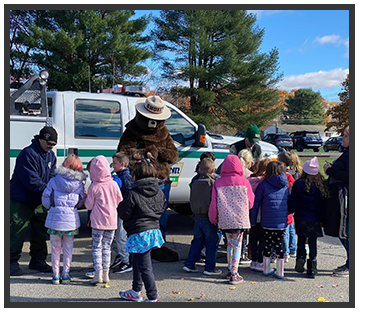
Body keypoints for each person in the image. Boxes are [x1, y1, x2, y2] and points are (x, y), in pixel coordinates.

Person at [10, 126, 58, 276]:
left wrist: (54, 190)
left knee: (40, 231)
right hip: (21, 199)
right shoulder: (27, 154)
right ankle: (10, 262)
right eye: (49, 144)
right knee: (17, 231)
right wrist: (49, 191)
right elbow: (31, 181)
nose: (51, 147)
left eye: (53, 145)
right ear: (41, 139)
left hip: (39, 200)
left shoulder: (51, 156)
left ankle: (38, 260)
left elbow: (52, 176)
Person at [118, 157, 165, 302]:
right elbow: (162, 208)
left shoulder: (132, 193)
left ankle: (152, 297)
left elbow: (124, 213)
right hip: (153, 231)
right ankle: (136, 290)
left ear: (136, 176)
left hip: (139, 232)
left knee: (145, 267)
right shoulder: (159, 191)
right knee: (138, 262)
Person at [209, 155, 255, 285]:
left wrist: (213, 218)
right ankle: (234, 273)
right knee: (237, 245)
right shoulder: (245, 182)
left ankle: (230, 269)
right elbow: (251, 203)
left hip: (225, 220)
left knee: (229, 245)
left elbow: (213, 203)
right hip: (240, 220)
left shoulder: (218, 182)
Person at [42, 154, 86, 284]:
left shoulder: (54, 180)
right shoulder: (79, 184)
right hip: (71, 222)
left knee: (55, 249)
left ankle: (55, 275)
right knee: (68, 249)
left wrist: (53, 207)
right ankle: (65, 274)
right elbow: (80, 201)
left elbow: (45, 198)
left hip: (55, 221)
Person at [84, 155, 123, 285]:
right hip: (112, 221)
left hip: (97, 221)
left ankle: (97, 273)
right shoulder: (113, 184)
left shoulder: (94, 186)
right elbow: (119, 200)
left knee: (96, 247)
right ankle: (106, 274)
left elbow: (88, 206)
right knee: (107, 247)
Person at [289, 157, 329, 278]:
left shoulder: (299, 184)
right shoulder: (321, 186)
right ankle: (312, 267)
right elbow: (324, 203)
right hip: (315, 218)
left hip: (301, 216)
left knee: (301, 239)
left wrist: (290, 210)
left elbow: (293, 201)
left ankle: (301, 257)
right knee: (313, 242)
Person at [250, 161, 290, 279]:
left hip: (266, 220)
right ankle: (280, 271)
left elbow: (256, 203)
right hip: (281, 221)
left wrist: (253, 220)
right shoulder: (285, 186)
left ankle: (266, 269)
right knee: (278, 244)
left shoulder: (263, 185)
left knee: (267, 243)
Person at [183, 158, 221, 276]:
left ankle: (189, 264)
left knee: (197, 241)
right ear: (213, 170)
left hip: (197, 216)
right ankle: (209, 267)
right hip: (208, 217)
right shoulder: (212, 183)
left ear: (199, 169)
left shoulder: (194, 181)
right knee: (211, 243)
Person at [323, 126, 350, 278]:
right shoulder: (346, 153)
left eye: (345, 136)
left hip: (346, 196)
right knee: (343, 232)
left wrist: (330, 171)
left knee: (346, 232)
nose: (342, 139)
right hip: (340, 195)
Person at [110, 151, 133, 274]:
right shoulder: (119, 175)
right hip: (119, 210)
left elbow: (128, 196)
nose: (112, 165)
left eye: (114, 163)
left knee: (121, 237)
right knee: (116, 237)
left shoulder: (126, 177)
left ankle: (126, 262)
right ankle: (120, 256)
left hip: (123, 211)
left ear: (122, 164)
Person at [247, 158, 270, 272]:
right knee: (262, 239)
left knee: (253, 237)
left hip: (251, 213)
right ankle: (260, 261)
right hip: (263, 214)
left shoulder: (250, 180)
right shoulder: (265, 182)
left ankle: (253, 260)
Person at [277, 152, 297, 261]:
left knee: (286, 231)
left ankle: (286, 251)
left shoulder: (285, 175)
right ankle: (293, 248)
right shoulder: (295, 173)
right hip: (290, 205)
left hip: (285, 206)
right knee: (290, 228)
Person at [237, 149, 253, 265]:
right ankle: (243, 254)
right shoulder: (249, 175)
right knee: (244, 233)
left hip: (232, 208)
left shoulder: (232, 173)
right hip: (244, 209)